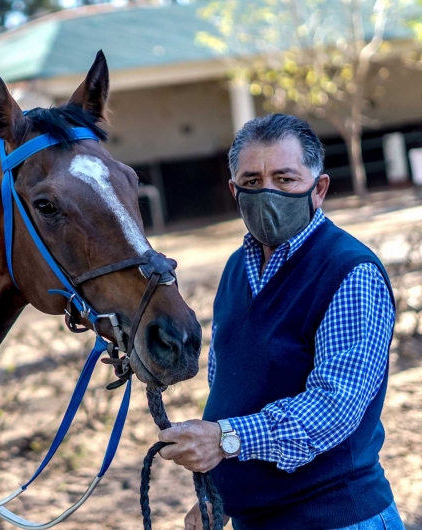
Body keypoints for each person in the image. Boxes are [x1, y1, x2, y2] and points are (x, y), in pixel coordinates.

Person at [157, 114, 402, 530]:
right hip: (257, 519)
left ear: (318, 188)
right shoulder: (238, 269)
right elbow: (232, 388)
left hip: (336, 518)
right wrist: (223, 495)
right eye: (252, 182)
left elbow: (334, 408)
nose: (267, 192)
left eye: (285, 179)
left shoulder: (348, 271)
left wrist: (224, 440)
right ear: (234, 191)